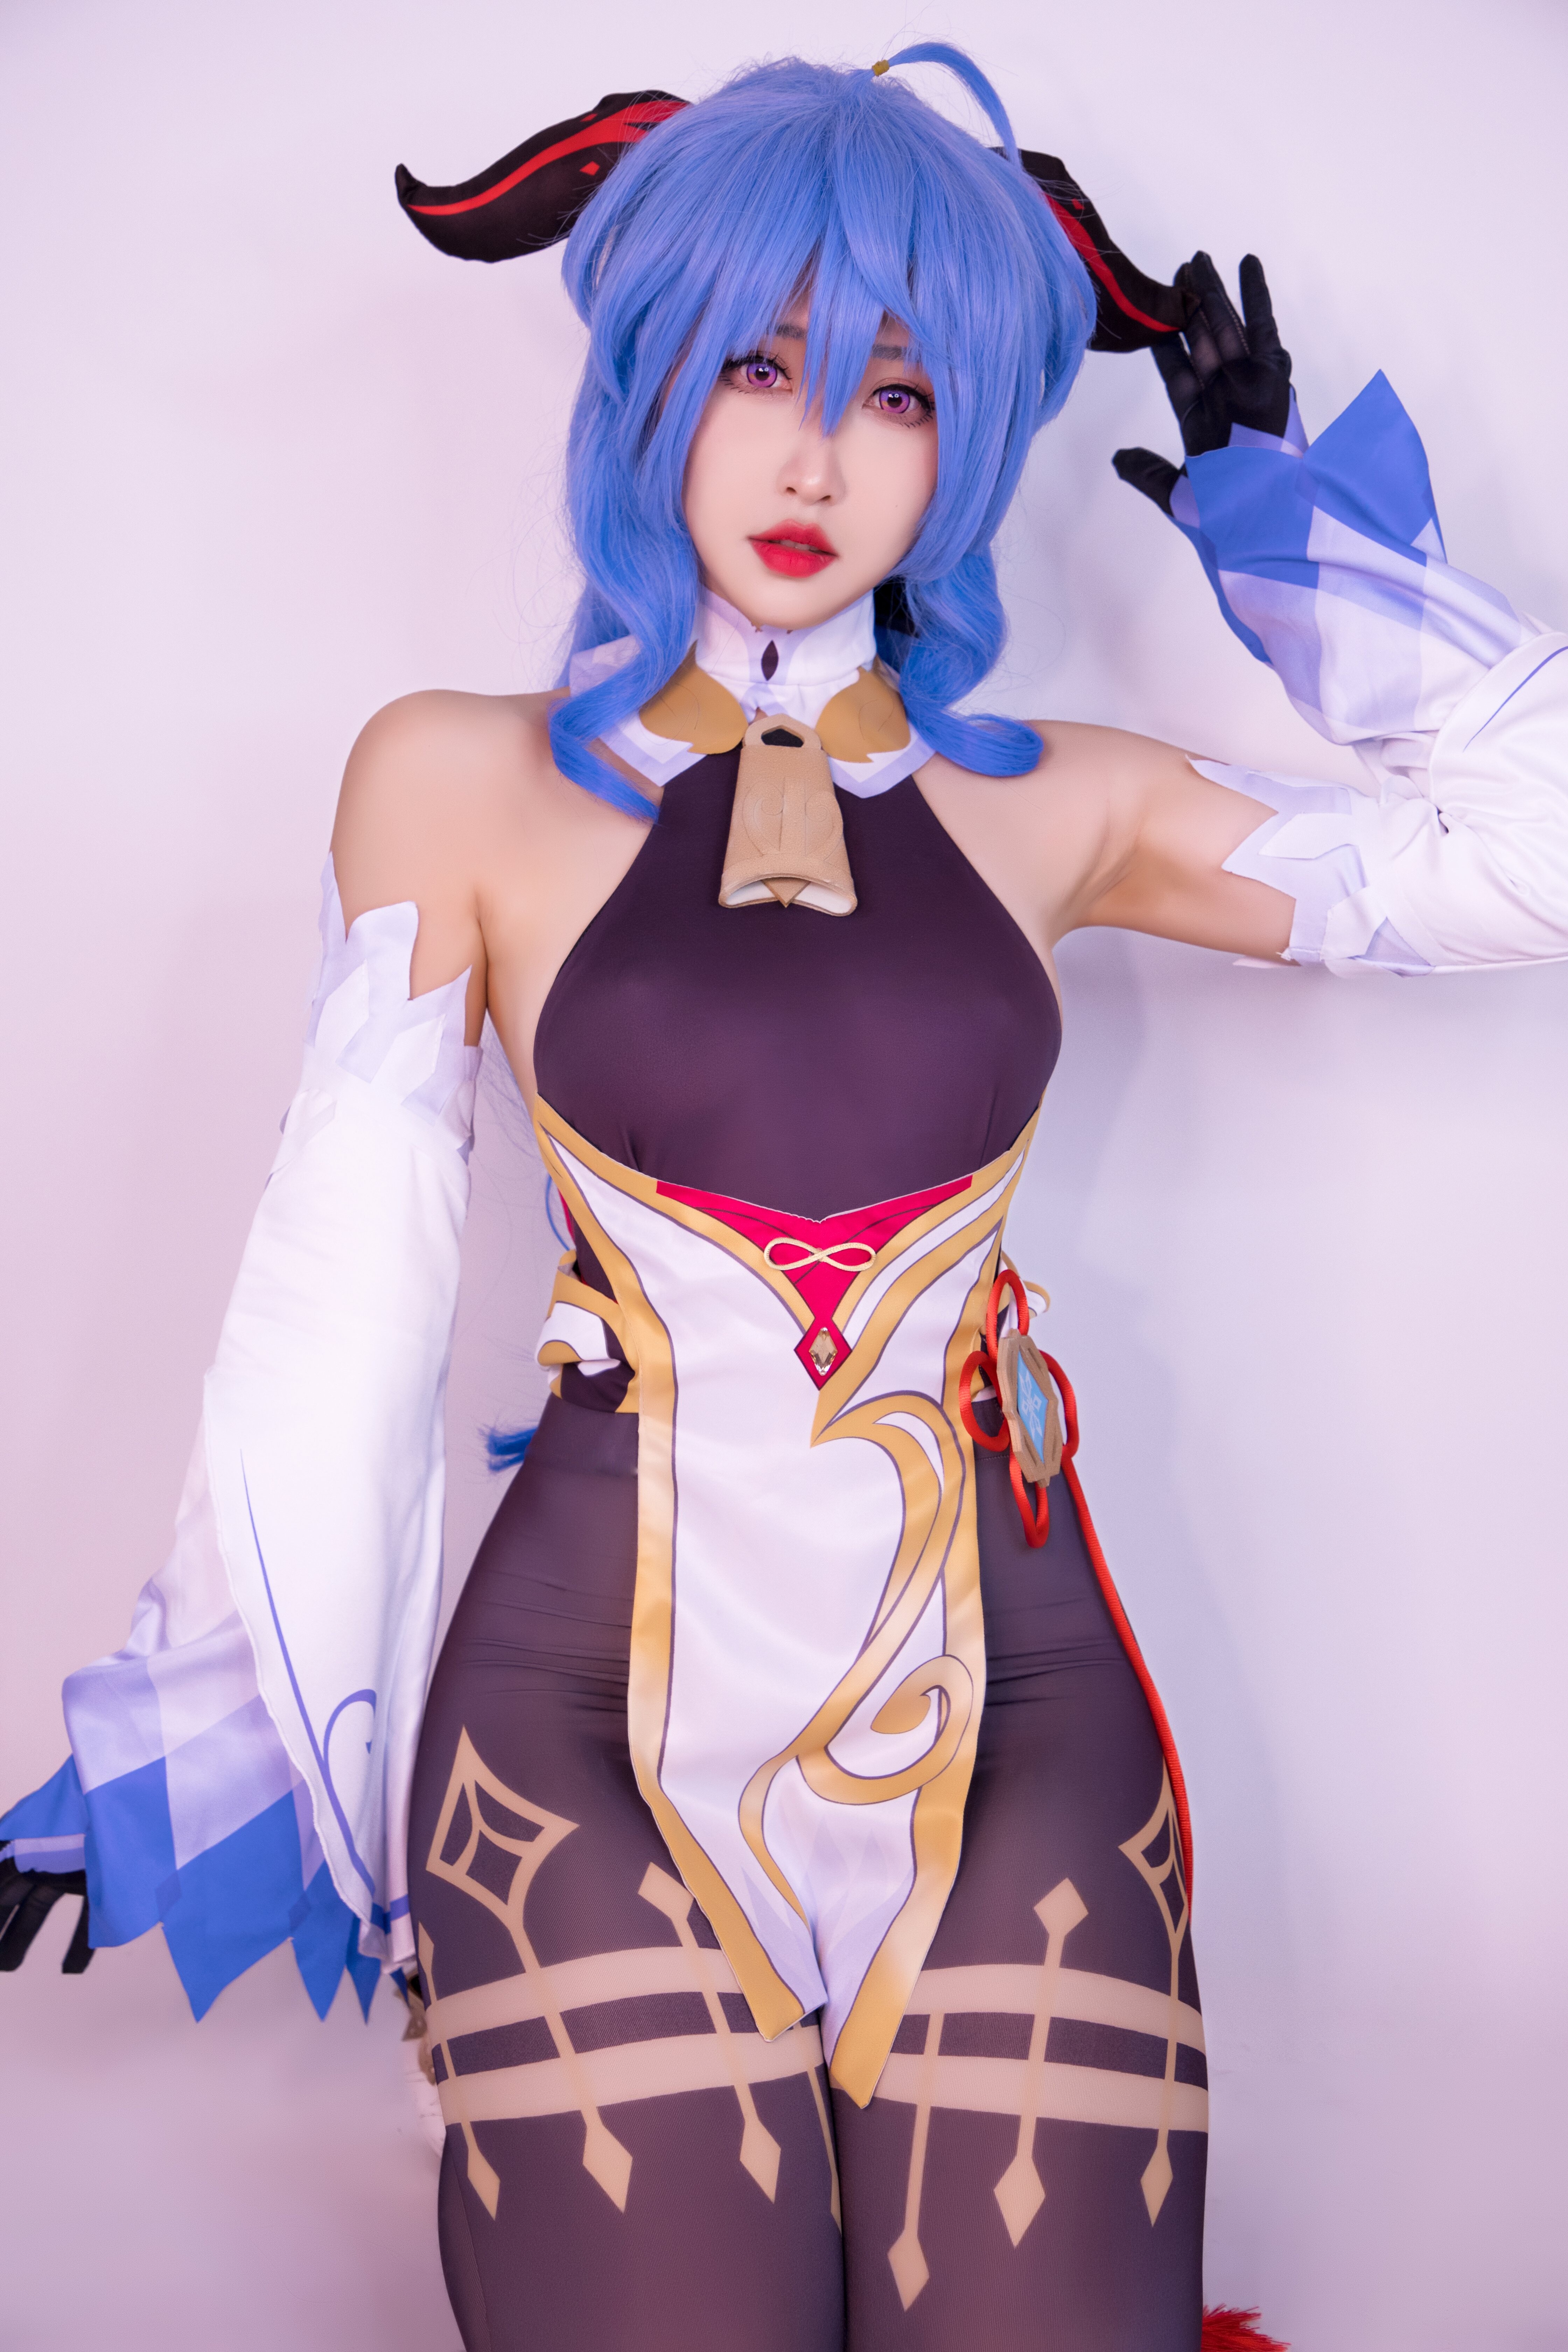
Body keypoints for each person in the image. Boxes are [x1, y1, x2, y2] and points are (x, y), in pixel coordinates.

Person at [4, 44, 1564, 2352]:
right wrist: (195, 1731)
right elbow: (346, 1284)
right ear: (649, 370)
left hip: (1016, 1729)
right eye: (758, 366)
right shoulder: (453, 780)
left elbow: (1531, 854)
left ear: (972, 436)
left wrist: (1307, 545)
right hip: (580, 1741)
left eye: (898, 392)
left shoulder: (1060, 805)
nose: (817, 456)